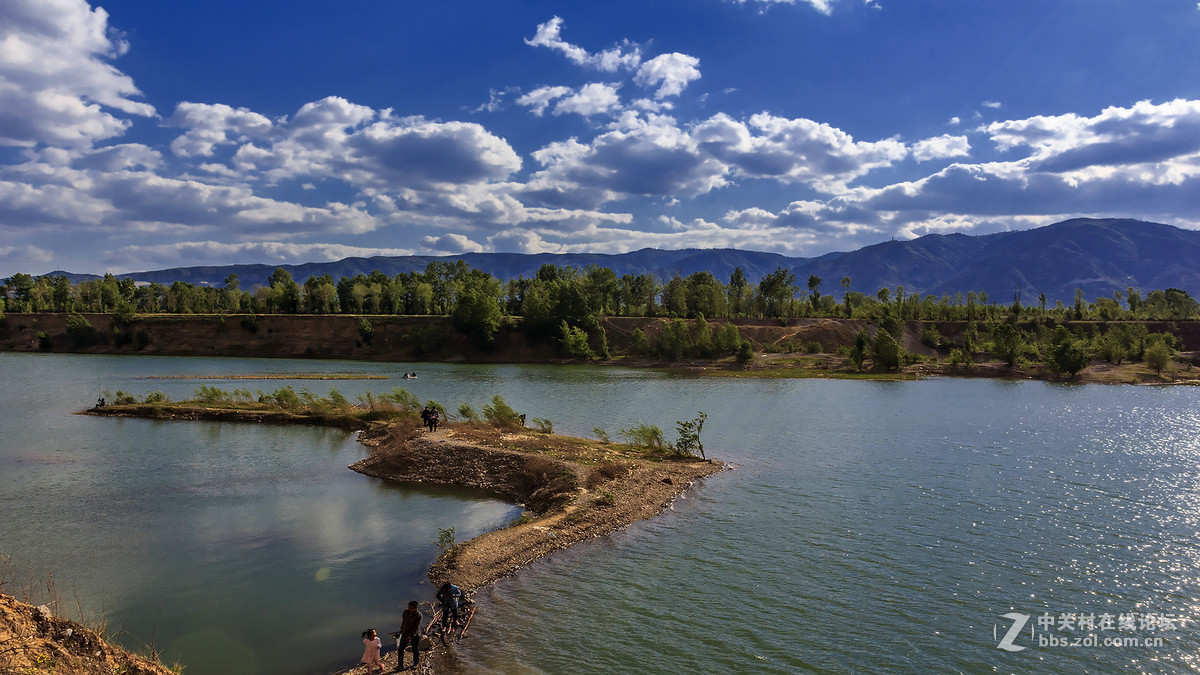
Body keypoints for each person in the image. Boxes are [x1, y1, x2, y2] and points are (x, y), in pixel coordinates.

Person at [394, 600, 422, 669]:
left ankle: (416, 663)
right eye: (408, 607)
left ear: (416, 608)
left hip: (415, 636)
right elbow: (404, 622)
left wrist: (410, 636)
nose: (409, 609)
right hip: (405, 633)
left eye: (411, 608)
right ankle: (400, 665)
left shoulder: (418, 615)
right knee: (400, 649)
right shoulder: (405, 612)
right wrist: (402, 629)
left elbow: (416, 627)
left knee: (415, 649)